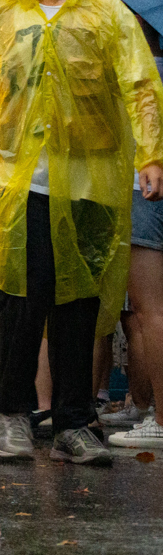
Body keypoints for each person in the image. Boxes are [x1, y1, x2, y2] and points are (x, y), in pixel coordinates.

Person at [0, 0, 163, 466]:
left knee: (79, 305)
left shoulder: (107, 15)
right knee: (23, 299)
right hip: (15, 181)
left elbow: (141, 83)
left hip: (89, 180)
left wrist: (151, 155)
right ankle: (13, 416)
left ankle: (74, 420)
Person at [110, 28, 163, 448]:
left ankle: (159, 418)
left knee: (147, 311)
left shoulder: (138, 78)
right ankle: (148, 408)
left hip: (139, 189)